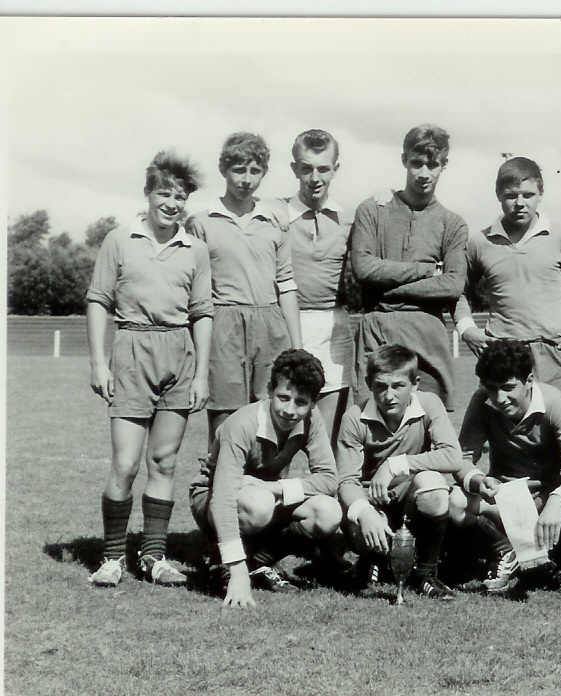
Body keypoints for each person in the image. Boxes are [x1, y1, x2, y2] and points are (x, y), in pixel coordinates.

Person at [85, 150, 213, 588]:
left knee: (164, 461)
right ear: (148, 193)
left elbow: (202, 313)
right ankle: (112, 558)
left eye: (180, 196)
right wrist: (99, 362)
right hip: (132, 351)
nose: (172, 203)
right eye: (164, 194)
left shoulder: (195, 249)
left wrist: (201, 375)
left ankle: (154, 557)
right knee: (125, 463)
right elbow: (98, 300)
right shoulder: (120, 240)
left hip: (179, 353)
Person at [189, 349, 341, 608]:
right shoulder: (242, 423)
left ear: (314, 403)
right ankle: (227, 562)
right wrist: (238, 575)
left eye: (301, 402)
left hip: (264, 496)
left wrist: (273, 487)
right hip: (212, 496)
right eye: (283, 398)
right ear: (270, 390)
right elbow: (223, 499)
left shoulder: (312, 421)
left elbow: (328, 479)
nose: (290, 410)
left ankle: (259, 561)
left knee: (328, 512)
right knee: (258, 505)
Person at [449, 340, 561, 595]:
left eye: (508, 388)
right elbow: (461, 458)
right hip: (504, 499)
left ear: (529, 380)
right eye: (491, 388)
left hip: (547, 498)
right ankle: (503, 550)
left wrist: (556, 501)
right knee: (455, 502)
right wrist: (477, 480)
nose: (499, 398)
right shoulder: (482, 401)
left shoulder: (554, 402)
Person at [187, 132, 302, 449]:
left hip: (270, 324)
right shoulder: (201, 222)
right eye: (239, 170)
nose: (246, 179)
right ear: (223, 170)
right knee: (226, 422)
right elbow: (195, 291)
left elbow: (286, 283)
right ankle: (221, 482)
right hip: (224, 324)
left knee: (275, 416)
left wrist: (297, 347)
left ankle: (269, 482)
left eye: (255, 171)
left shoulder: (275, 220)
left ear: (264, 172)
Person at [454, 156, 561, 402]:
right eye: (511, 196)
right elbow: (459, 291)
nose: (520, 203)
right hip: (503, 354)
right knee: (501, 424)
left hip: (556, 352)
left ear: (540, 193)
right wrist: (466, 329)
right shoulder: (479, 242)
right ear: (498, 195)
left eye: (528, 195)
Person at [350, 123, 468, 410]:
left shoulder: (453, 223)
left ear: (444, 165)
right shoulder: (372, 210)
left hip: (427, 337)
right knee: (372, 424)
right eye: (417, 163)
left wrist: (386, 288)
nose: (424, 173)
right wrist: (427, 270)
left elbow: (453, 285)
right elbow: (363, 268)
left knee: (426, 423)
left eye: (433, 165)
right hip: (377, 331)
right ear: (404, 160)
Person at [335, 344, 462, 601]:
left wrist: (395, 465)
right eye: (381, 386)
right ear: (369, 384)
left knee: (434, 487)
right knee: (357, 517)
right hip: (375, 504)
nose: (389, 395)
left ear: (415, 384)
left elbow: (452, 456)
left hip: (411, 504)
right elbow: (346, 481)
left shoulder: (429, 404)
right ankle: (371, 559)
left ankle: (426, 572)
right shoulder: (355, 417)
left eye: (398, 386)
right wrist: (366, 513)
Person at [278, 129, 357, 452]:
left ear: (336, 169)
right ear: (294, 168)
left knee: (328, 439)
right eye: (306, 168)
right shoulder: (276, 215)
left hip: (334, 329)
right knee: (278, 437)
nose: (315, 178)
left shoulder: (347, 220)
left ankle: (327, 485)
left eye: (323, 169)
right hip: (288, 325)